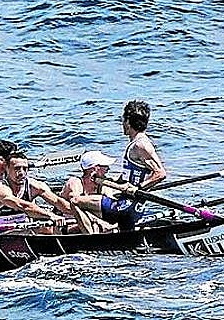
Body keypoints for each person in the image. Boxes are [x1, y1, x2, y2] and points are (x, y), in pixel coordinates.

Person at [97, 100, 168, 231]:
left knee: (77, 201)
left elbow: (160, 173)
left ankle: (91, 239)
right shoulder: (135, 144)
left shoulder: (141, 145)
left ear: (128, 122)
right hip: (127, 200)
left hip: (128, 205)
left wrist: (137, 188)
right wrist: (109, 181)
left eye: (123, 120)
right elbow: (130, 176)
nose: (122, 124)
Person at [0, 143, 72, 225]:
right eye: (17, 168)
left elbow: (57, 201)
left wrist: (78, 212)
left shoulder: (34, 185)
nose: (22, 173)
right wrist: (51, 215)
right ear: (7, 168)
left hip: (24, 232)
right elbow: (23, 206)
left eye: (25, 169)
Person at [59, 150, 120, 234]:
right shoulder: (75, 183)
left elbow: (111, 210)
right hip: (68, 227)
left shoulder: (103, 186)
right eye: (105, 166)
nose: (108, 169)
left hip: (93, 225)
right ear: (95, 168)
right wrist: (99, 221)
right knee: (96, 226)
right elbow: (74, 204)